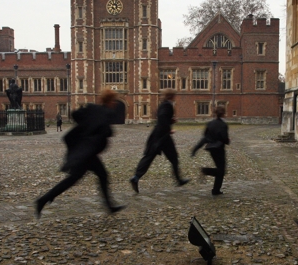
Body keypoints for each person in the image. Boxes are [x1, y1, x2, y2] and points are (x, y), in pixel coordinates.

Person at [35, 89, 126, 218]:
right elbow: (105, 132)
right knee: (87, 177)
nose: (115, 103)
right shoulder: (106, 113)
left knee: (92, 176)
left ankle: (44, 199)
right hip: (87, 154)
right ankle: (43, 199)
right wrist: (92, 131)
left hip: (87, 152)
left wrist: (85, 127)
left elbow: (76, 114)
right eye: (113, 100)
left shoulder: (92, 109)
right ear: (109, 101)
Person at [129, 88, 190, 193]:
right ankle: (179, 180)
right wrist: (168, 129)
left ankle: (136, 177)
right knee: (173, 158)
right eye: (173, 95)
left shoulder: (163, 104)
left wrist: (170, 121)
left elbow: (162, 117)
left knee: (149, 157)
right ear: (170, 96)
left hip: (157, 136)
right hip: (163, 137)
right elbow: (162, 118)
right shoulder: (167, 105)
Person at [191, 106, 230, 195]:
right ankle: (206, 171)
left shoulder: (210, 123)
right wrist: (228, 141)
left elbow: (205, 137)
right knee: (221, 170)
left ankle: (216, 190)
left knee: (220, 169)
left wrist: (196, 148)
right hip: (219, 149)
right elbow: (224, 138)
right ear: (223, 114)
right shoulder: (223, 125)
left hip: (211, 149)